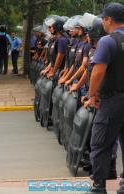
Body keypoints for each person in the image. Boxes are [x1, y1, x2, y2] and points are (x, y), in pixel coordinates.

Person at [83, 3, 124, 194]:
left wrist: (92, 95)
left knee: (100, 143)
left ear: (109, 20)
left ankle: (99, 186)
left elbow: (98, 72)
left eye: (103, 19)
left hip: (113, 101)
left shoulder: (108, 41)